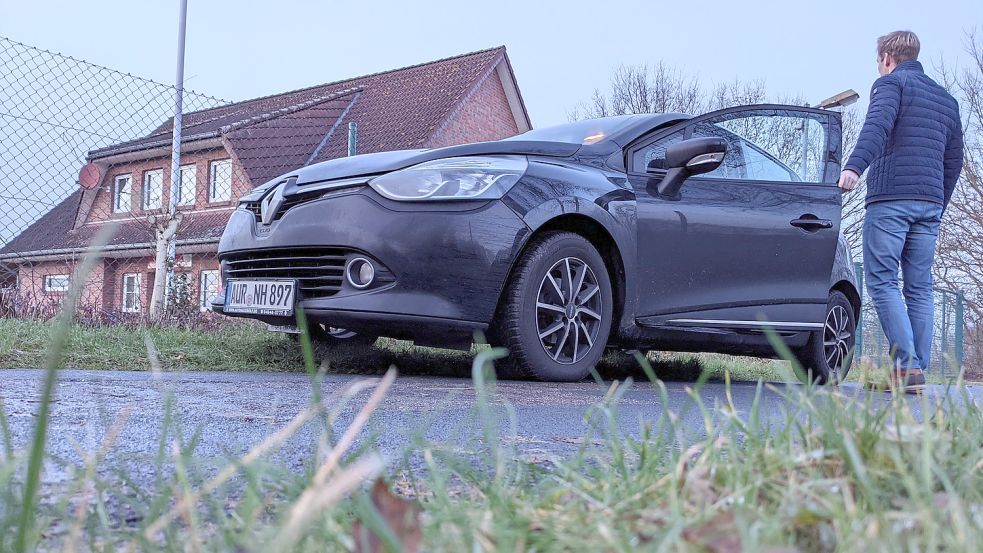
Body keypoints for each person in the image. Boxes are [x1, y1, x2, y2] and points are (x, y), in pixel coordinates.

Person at [839, 30, 963, 392]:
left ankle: (906, 366)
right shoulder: (947, 100)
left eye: (879, 61)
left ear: (888, 58)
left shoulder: (891, 86)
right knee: (920, 288)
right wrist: (939, 202)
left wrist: (854, 167)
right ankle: (915, 370)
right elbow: (954, 159)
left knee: (881, 280)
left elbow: (876, 126)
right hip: (929, 203)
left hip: (892, 199)